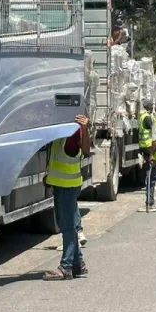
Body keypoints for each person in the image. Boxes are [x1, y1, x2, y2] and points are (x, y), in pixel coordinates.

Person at [45, 115, 92, 280]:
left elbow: (86, 150)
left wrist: (84, 129)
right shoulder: (62, 128)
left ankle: (66, 267)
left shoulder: (74, 129)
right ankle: (78, 264)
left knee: (68, 227)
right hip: (62, 184)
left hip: (68, 185)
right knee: (67, 224)